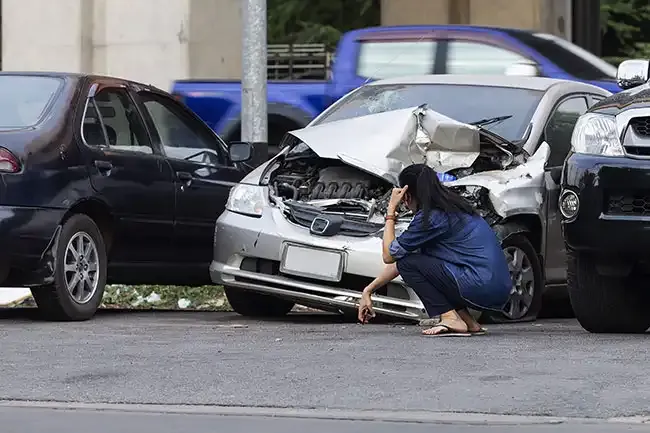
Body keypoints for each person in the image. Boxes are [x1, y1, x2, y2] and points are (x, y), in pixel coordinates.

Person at [357, 163, 512, 336]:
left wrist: (390, 211)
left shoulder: (431, 217)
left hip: (480, 285)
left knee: (409, 263)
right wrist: (368, 290)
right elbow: (404, 260)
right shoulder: (455, 207)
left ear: (406, 195)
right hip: (498, 289)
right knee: (421, 263)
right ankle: (468, 322)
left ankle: (450, 318)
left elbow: (389, 256)